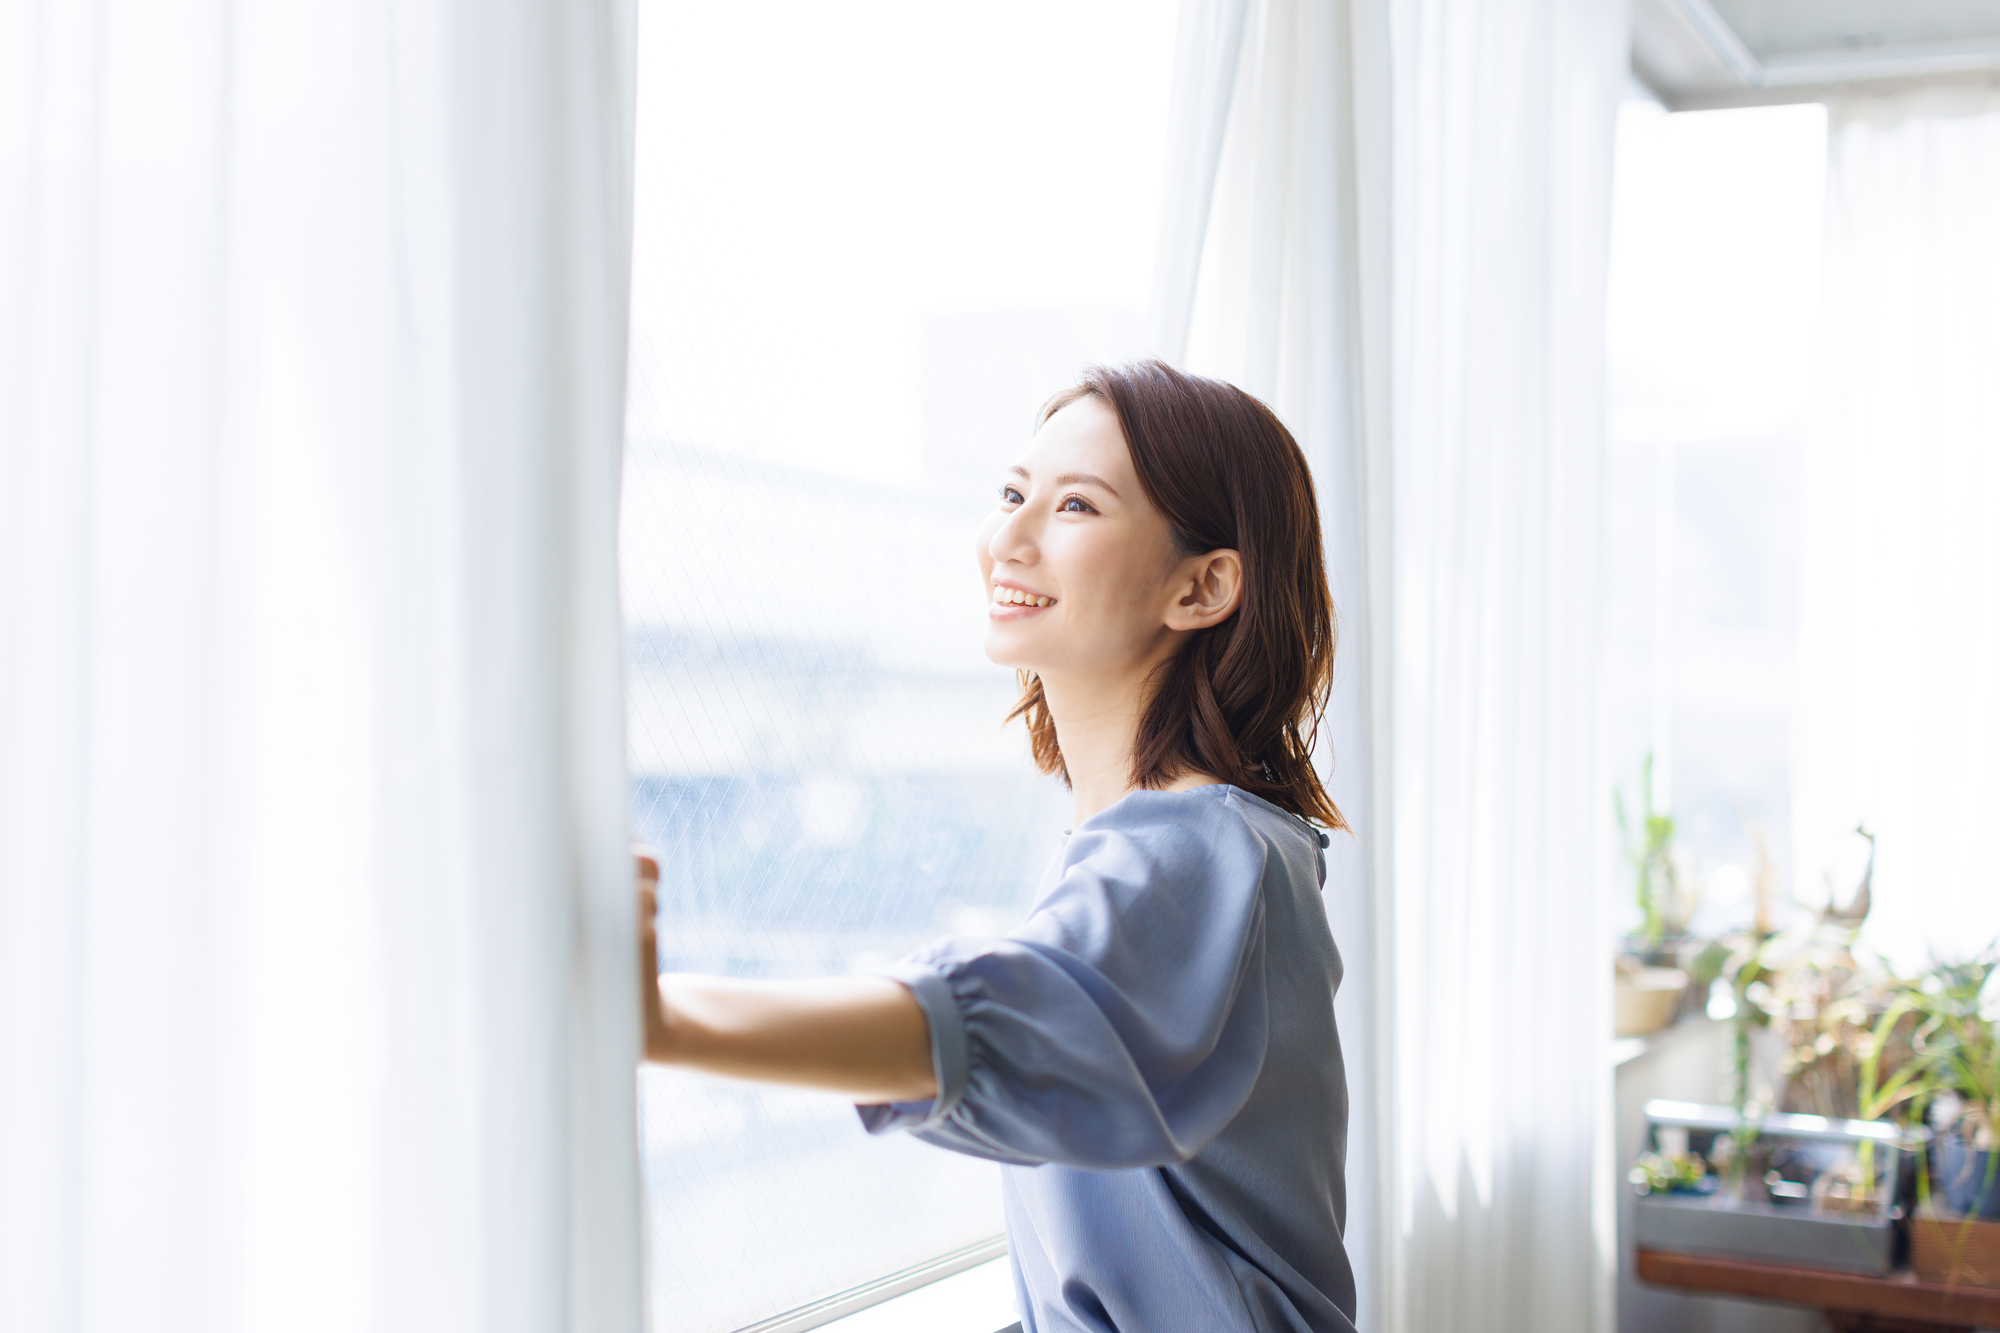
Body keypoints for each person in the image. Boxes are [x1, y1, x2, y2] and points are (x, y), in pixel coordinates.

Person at [636, 360, 1357, 1333]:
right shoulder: (1131, 845)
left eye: (1073, 506)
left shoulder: (1196, 852)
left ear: (1202, 586)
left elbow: (970, 1027)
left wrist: (662, 1020)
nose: (1006, 538)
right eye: (1011, 494)